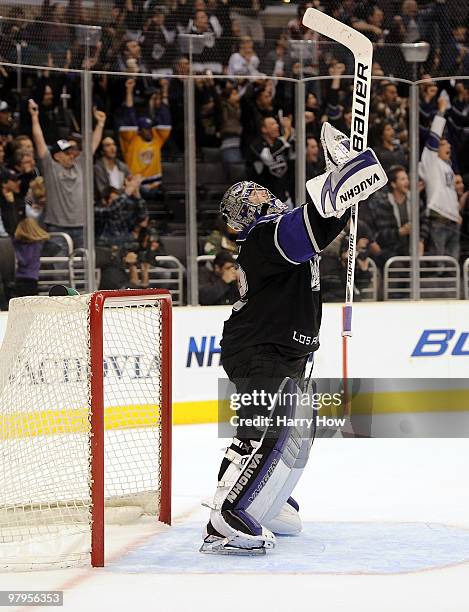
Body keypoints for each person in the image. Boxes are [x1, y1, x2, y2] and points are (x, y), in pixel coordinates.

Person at [201, 123, 387, 554]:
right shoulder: (263, 237)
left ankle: (258, 500)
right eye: (253, 196)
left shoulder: (274, 230)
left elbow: (316, 227)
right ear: (244, 216)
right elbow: (313, 229)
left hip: (282, 349)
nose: (264, 195)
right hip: (261, 347)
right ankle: (228, 516)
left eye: (262, 191)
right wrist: (340, 181)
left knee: (272, 432)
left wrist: (345, 192)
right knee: (273, 427)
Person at [29, 99, 106, 251]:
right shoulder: (51, 167)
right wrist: (34, 117)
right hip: (57, 228)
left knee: (83, 269)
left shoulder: (81, 165)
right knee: (60, 270)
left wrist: (100, 124)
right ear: (57, 156)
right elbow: (39, 141)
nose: (72, 155)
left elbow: (92, 146)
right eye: (67, 153)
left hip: (82, 227)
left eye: (73, 152)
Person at [419, 96, 461, 260]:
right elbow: (434, 137)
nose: (448, 146)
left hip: (453, 220)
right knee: (439, 266)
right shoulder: (431, 161)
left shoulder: (447, 165)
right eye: (444, 144)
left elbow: (450, 194)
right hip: (438, 220)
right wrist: (442, 111)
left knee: (454, 268)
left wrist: (457, 212)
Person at [119, 78, 171, 201]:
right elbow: (129, 116)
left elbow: (165, 118)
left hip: (155, 186)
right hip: (136, 186)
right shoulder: (131, 140)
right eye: (145, 129)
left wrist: (164, 91)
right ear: (139, 130)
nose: (149, 131)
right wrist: (129, 91)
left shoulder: (157, 138)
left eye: (150, 128)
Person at [246, 115, 295, 204]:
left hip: (284, 197)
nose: (276, 126)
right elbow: (267, 157)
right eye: (272, 124)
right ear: (264, 129)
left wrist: (290, 130)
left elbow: (293, 154)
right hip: (264, 199)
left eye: (276, 123)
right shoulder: (256, 145)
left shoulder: (281, 142)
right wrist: (286, 136)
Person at [12, 218, 50, 297]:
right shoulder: (38, 245)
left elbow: (24, 261)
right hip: (33, 278)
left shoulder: (18, 244)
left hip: (21, 278)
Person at [94, 136, 131, 201]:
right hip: (106, 203)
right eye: (108, 145)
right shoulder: (98, 168)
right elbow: (103, 191)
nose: (112, 148)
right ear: (102, 151)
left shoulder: (122, 166)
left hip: (124, 201)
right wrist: (124, 190)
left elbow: (130, 183)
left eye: (114, 144)